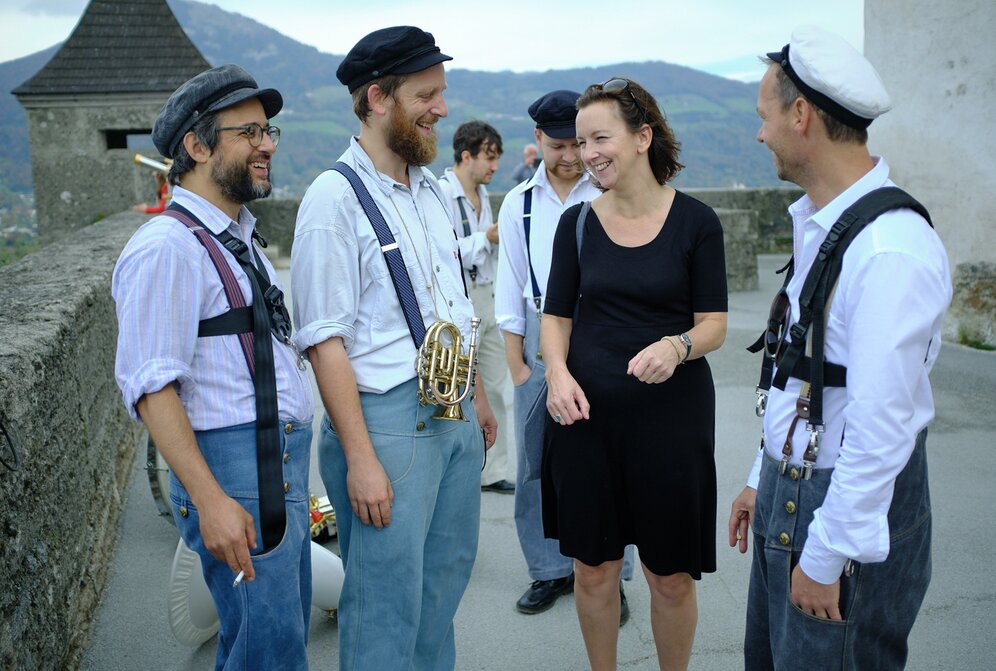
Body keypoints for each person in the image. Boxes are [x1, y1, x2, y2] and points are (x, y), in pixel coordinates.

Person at [727, 26, 951, 670]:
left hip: (834, 516)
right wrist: (759, 476)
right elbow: (809, 377)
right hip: (792, 492)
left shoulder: (888, 250)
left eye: (765, 116)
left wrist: (825, 557)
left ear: (801, 116)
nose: (760, 133)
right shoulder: (824, 224)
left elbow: (883, 426)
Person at [290, 26, 497, 671]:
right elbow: (323, 340)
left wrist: (478, 399)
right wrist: (359, 460)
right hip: (386, 425)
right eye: (426, 95)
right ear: (378, 98)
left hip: (452, 408)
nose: (441, 108)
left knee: (443, 582)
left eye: (441, 92)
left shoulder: (433, 189)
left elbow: (451, 307)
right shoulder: (334, 199)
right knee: (384, 599)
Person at [112, 64, 314, 669]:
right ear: (197, 147)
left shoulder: (235, 236)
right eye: (248, 132)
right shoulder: (166, 248)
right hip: (234, 471)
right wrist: (211, 501)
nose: (267, 145)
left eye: (269, 131)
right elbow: (153, 389)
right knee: (267, 652)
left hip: (269, 462)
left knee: (268, 640)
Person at [541, 77, 727, 670]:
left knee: (669, 575)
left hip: (671, 424)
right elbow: (556, 316)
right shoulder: (576, 224)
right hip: (585, 421)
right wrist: (555, 375)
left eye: (601, 138)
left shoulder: (698, 222)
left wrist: (676, 346)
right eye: (581, 140)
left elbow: (714, 324)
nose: (588, 153)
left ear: (643, 137)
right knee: (592, 570)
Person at [495, 90, 635, 619]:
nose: (571, 157)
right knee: (536, 466)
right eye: (557, 146)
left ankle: (611, 574)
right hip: (535, 334)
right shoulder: (518, 203)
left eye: (577, 143)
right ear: (537, 142)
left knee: (608, 461)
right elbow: (509, 288)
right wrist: (519, 367)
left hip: (601, 332)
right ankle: (548, 570)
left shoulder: (607, 189)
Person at [438, 120, 516, 494]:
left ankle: (493, 469)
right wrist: (486, 237)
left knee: (497, 387)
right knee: (457, 388)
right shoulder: (440, 194)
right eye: (489, 157)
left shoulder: (482, 195)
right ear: (465, 155)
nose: (495, 166)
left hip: (486, 295)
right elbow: (445, 253)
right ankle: (460, 466)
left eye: (497, 158)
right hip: (458, 300)